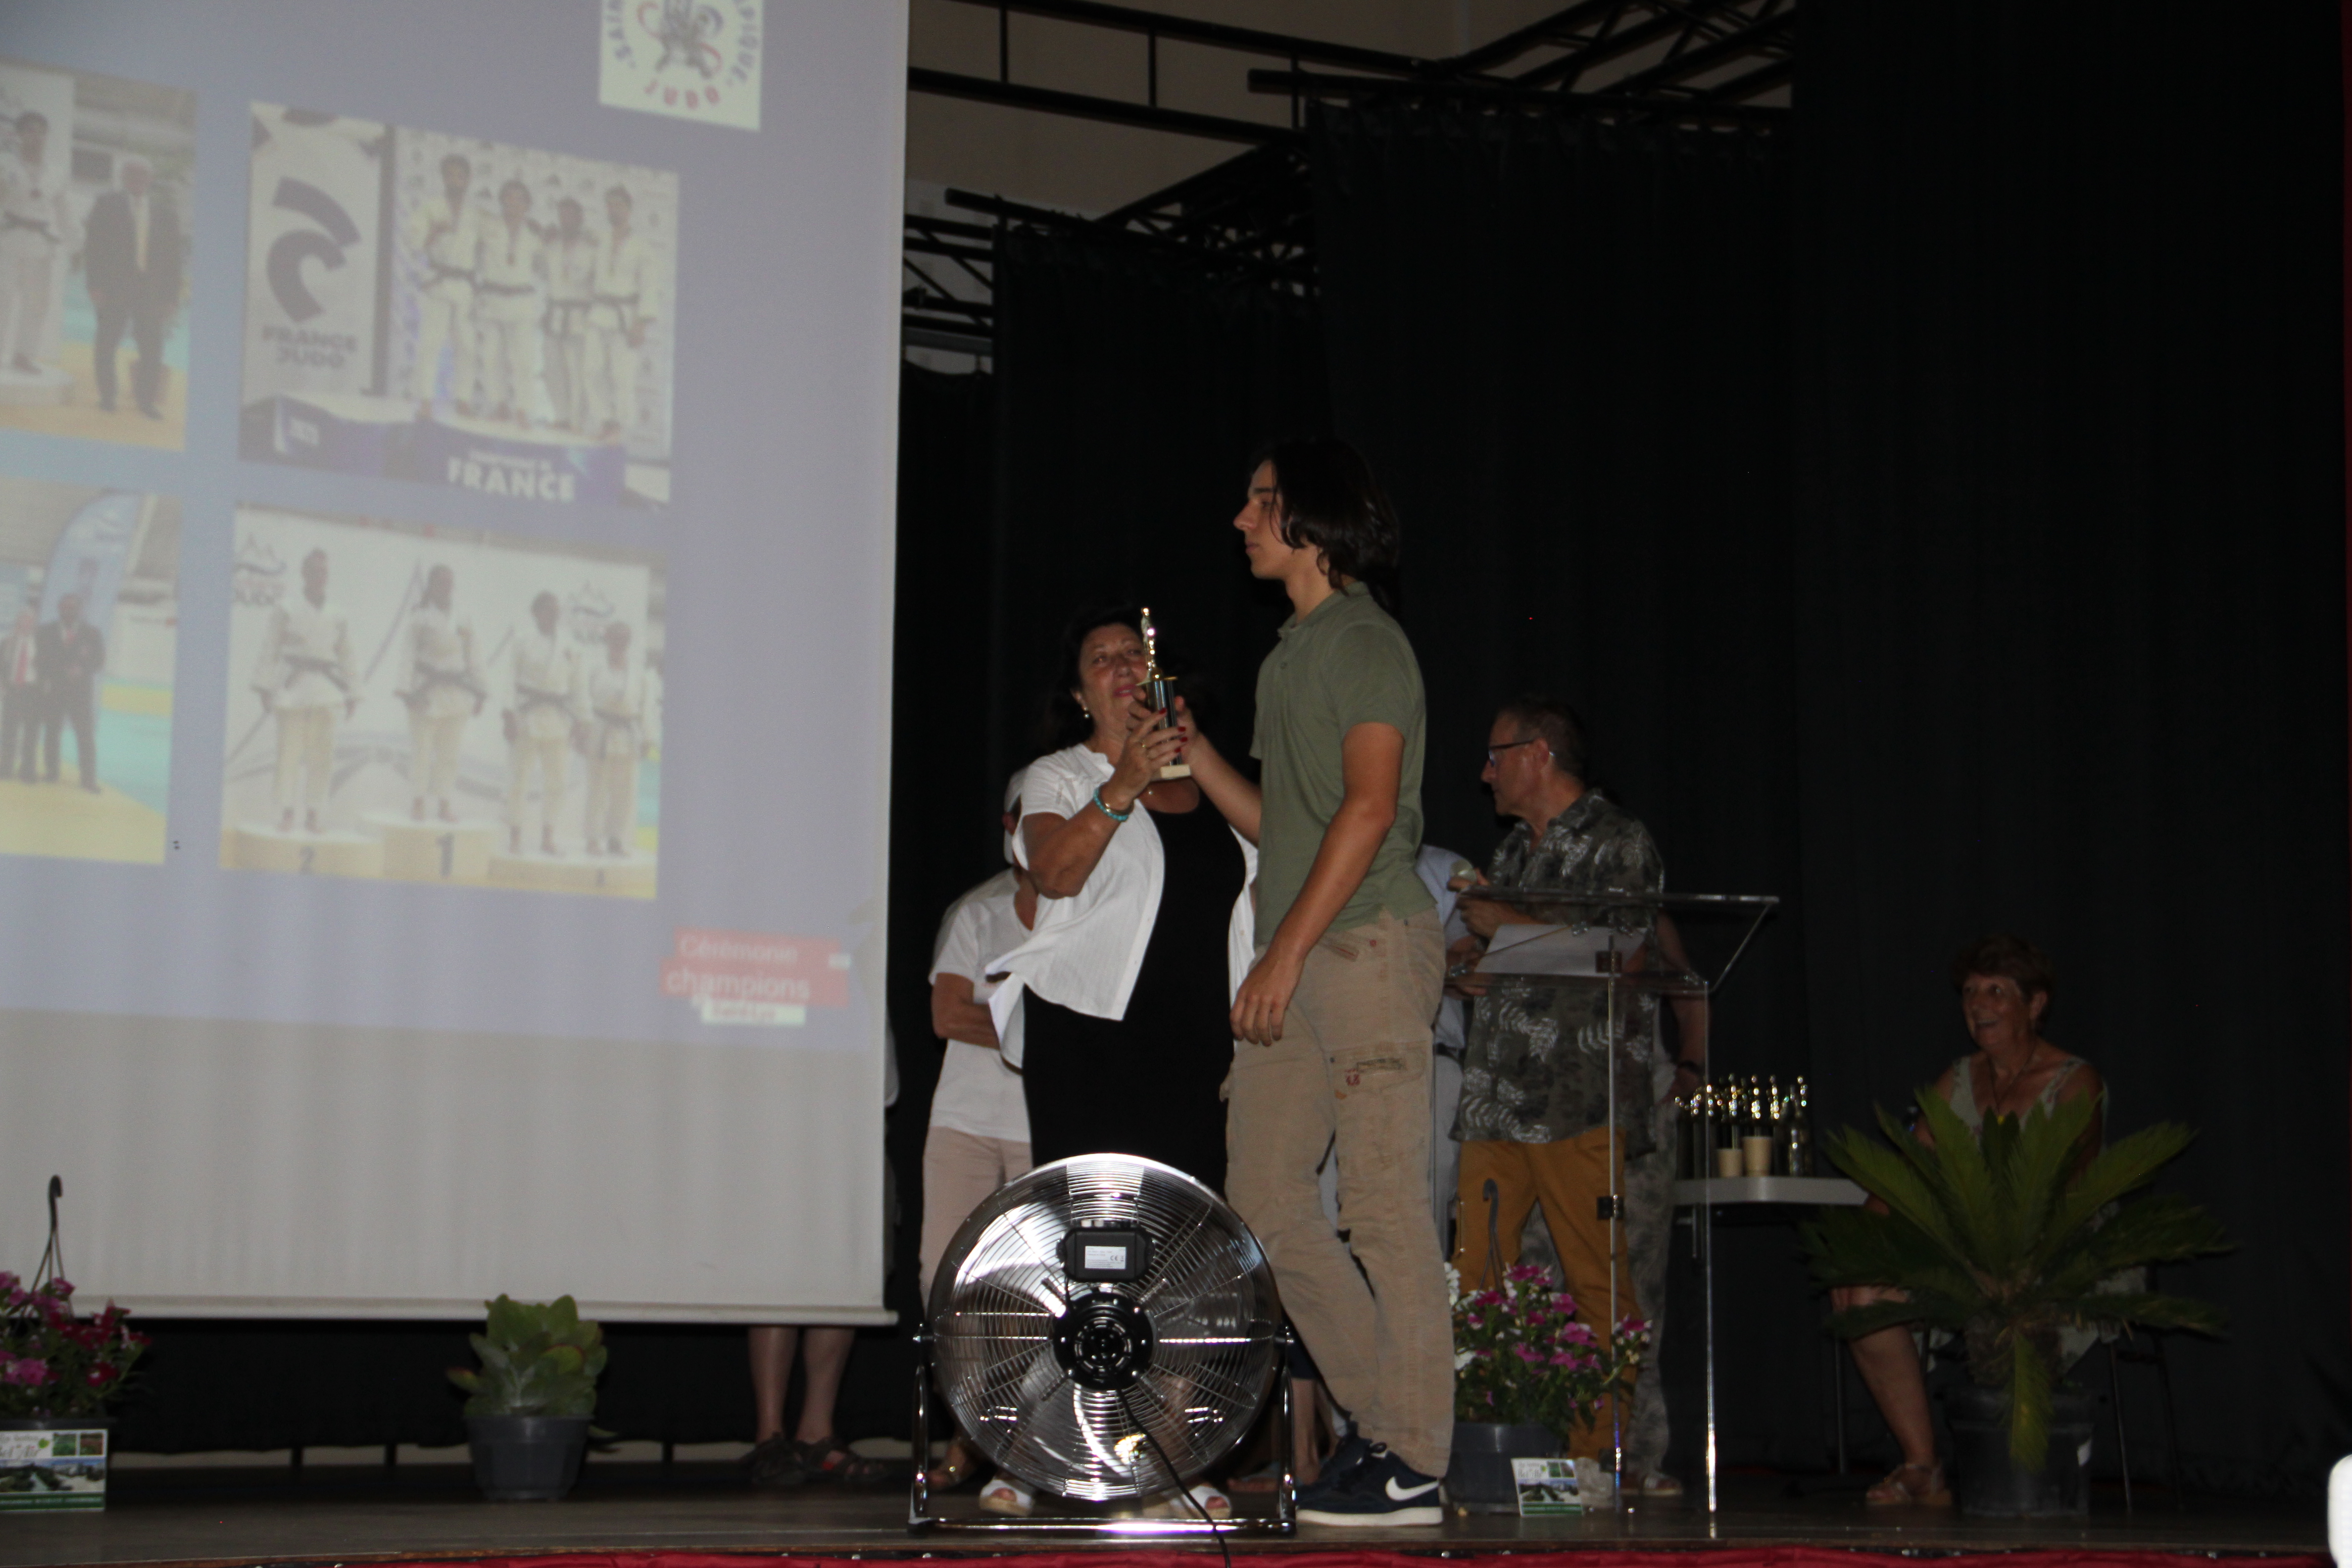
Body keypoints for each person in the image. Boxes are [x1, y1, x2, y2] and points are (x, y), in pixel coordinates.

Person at [1177, 438, 1451, 1527]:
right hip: (1296, 947)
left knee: (1382, 1205)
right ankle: (1386, 1422)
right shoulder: (1288, 655)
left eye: (1261, 501)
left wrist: (1282, 952)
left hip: (1365, 944)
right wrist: (1196, 752)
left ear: (1314, 519)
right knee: (1266, 1199)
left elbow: (1371, 809)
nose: (1241, 519)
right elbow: (1286, 824)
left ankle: (1416, 1458)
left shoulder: (1366, 641)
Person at [981, 605, 1253, 1520]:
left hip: (1194, 1045)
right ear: (1078, 692)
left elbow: (1287, 839)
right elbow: (1054, 873)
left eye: (1136, 655)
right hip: (1090, 1039)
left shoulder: (1205, 774)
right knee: (1090, 1256)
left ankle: (1169, 1463)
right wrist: (1123, 781)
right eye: (1102, 660)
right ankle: (1037, 1452)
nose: (1123, 668)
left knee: (1182, 1262)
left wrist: (1189, 754)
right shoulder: (1059, 774)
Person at [1446, 696, 1660, 1470]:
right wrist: (1467, 967)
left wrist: (1501, 929)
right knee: (1475, 1280)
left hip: (1579, 1102)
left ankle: (1596, 1457)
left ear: (1538, 755)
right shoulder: (1512, 851)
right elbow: (1509, 956)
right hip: (1495, 1098)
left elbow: (1622, 956)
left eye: (1495, 756)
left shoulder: (1617, 840)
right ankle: (1484, 1448)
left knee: (1597, 1279)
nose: (1486, 774)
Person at [1833, 934, 2105, 1508]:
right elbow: (1907, 1175)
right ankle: (1922, 1466)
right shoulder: (1958, 1079)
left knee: (2010, 1296)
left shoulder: (2074, 1079)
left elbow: (2070, 1184)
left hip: (2053, 1254)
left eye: (1997, 991)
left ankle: (2028, 1474)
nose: (1978, 1004)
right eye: (1970, 992)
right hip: (1965, 1253)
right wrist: (1860, 1244)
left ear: (2035, 1004)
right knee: (1859, 1294)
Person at [918, 770, 1037, 1499]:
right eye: (1029, 819)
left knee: (1031, 1293)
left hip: (1039, 1126)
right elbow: (946, 1015)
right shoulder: (978, 912)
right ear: (1009, 827)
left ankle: (1021, 1450)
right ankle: (971, 1432)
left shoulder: (1088, 913)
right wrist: (1035, 1031)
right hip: (964, 1121)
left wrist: (997, 1019)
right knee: (945, 1280)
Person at [253, 550, 355, 833]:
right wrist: (264, 687)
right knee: (288, 754)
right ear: (304, 573)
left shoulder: (338, 614)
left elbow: (347, 655)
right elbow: (270, 647)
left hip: (326, 690)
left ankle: (314, 813)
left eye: (324, 572)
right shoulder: (286, 608)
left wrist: (353, 693)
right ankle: (287, 812)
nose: (319, 576)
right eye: (314, 571)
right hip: (293, 688)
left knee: (323, 757)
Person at [82, 155, 183, 419]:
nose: (137, 179)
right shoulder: (106, 204)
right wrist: (94, 284)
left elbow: (174, 258)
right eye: (132, 173)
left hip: (151, 290)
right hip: (114, 287)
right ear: (123, 177)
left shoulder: (165, 214)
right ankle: (107, 397)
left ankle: (146, 402)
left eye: (142, 174)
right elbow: (93, 247)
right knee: (106, 343)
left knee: (152, 348)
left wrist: (171, 297)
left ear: (151, 179)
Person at [399, 564, 483, 823]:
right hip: (426, 692)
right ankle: (418, 802)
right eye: (441, 583)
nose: (447, 587)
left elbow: (474, 657)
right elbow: (407, 655)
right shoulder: (419, 618)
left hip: (457, 693)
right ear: (431, 586)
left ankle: (445, 804)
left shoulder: (463, 618)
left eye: (450, 583)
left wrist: (481, 691)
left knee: (450, 754)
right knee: (422, 752)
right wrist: (406, 691)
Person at [406, 152, 484, 417]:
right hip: (438, 282)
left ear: (468, 180)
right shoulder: (430, 208)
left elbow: (487, 248)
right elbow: (414, 243)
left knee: (467, 346)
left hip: (464, 285)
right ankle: (425, 401)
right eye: (450, 175)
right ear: (443, 178)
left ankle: (463, 400)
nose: (455, 180)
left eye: (460, 176)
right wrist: (434, 232)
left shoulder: (476, 215)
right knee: (431, 343)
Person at [503, 590, 579, 856]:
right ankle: (515, 835)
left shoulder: (570, 644)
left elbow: (577, 685)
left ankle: (548, 836)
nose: (554, 615)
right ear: (536, 613)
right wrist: (508, 716)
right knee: (519, 780)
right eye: (548, 609)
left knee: (557, 782)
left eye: (557, 610)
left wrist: (582, 721)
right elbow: (508, 679)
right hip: (527, 716)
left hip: (558, 719)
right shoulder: (522, 640)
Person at [0, 112, 76, 376]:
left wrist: (77, 245)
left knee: (37, 302)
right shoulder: (5, 165)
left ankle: (24, 355)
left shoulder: (56, 172)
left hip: (40, 244)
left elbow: (65, 213)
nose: (36, 137)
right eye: (30, 131)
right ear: (19, 135)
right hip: (8, 240)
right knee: (2, 297)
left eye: (41, 132)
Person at [585, 185, 658, 445]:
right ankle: (605, 422)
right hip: (599, 314)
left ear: (629, 209)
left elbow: (649, 288)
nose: (614, 209)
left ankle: (621, 428)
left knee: (622, 376)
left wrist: (641, 324)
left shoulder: (642, 246)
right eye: (610, 205)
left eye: (619, 205)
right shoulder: (600, 240)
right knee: (592, 371)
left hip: (625, 317)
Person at [581, 620, 654, 857]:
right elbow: (583, 700)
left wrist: (647, 737)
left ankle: (616, 839)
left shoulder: (639, 673)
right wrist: (582, 730)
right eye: (616, 638)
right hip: (601, 730)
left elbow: (645, 707)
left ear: (629, 642)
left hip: (628, 733)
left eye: (624, 639)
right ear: (607, 640)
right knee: (597, 789)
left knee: (625, 791)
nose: (620, 643)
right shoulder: (595, 667)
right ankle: (593, 839)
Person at [475, 179, 543, 427]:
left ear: (528, 205)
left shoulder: (535, 235)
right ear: (501, 200)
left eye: (519, 198)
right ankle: (500, 405)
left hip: (522, 300)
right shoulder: (487, 227)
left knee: (524, 360)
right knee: (492, 356)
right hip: (492, 297)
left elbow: (543, 267)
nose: (513, 202)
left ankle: (524, 409)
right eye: (509, 197)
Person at [36, 594, 103, 793]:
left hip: (80, 694)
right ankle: (51, 773)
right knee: (52, 733)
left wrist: (82, 670)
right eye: (64, 607)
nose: (68, 611)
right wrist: (60, 671)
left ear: (79, 610)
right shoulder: (45, 632)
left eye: (72, 608)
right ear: (59, 609)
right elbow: (40, 659)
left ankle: (88, 779)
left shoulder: (92, 633)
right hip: (54, 691)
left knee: (85, 736)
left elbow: (99, 660)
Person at [541, 197, 596, 432]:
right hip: (554, 312)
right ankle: (561, 417)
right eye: (562, 215)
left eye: (571, 215)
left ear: (581, 218)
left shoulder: (592, 247)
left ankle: (577, 421)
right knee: (553, 369)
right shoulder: (551, 246)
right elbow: (541, 274)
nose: (566, 220)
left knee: (578, 372)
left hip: (579, 315)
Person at [1, 607, 38, 781]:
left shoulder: (40, 643)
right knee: (9, 731)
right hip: (13, 689)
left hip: (32, 691)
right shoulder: (8, 642)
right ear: (18, 623)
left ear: (33, 624)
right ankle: (5, 768)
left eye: (29, 621)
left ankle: (28, 771)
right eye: (23, 620)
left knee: (30, 732)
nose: (25, 624)